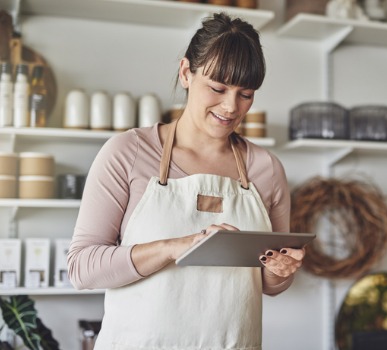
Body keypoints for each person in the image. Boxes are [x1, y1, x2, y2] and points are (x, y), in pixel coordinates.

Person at [68, 12, 305, 350]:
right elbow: (83, 268)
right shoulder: (129, 152)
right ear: (185, 73)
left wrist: (281, 270)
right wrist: (175, 247)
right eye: (218, 88)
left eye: (246, 94)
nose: (230, 107)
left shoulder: (265, 169)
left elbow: (268, 284)